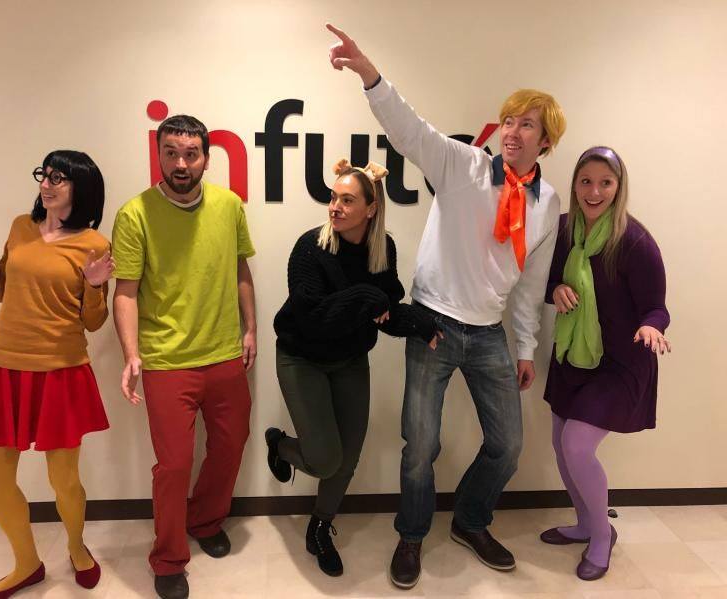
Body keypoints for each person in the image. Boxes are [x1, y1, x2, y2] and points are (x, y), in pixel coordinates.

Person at [326, 24, 567, 588]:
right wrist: (369, 74)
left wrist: (525, 347)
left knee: (507, 445)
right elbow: (410, 130)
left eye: (526, 124)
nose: (512, 131)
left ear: (546, 141)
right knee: (421, 446)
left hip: (488, 333)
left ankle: (469, 520)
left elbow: (530, 284)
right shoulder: (464, 166)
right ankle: (411, 535)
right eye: (509, 120)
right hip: (432, 322)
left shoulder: (548, 203)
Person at [265, 159, 442, 577]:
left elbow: (383, 313)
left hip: (349, 359)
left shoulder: (383, 250)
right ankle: (280, 446)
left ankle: (320, 526)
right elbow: (314, 317)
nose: (335, 207)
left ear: (370, 209)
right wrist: (367, 297)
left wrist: (420, 324)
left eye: (347, 200)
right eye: (333, 198)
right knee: (325, 459)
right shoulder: (311, 247)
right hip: (301, 356)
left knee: (347, 457)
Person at [0, 150, 112, 598]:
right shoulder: (22, 227)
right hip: (5, 366)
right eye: (45, 174)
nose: (47, 183)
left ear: (82, 188)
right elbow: (1, 289)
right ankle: (27, 564)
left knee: (64, 480)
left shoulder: (94, 244)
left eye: (59, 177)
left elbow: (94, 321)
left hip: (61, 370)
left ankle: (76, 547)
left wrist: (95, 286)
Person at [112, 114, 257, 599]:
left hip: (224, 353)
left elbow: (240, 270)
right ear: (158, 155)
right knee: (174, 466)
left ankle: (206, 519)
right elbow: (125, 291)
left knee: (231, 445)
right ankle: (169, 559)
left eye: (190, 154)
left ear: (206, 159)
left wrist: (251, 328)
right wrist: (132, 354)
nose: (181, 163)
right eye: (171, 153)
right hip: (166, 360)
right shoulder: (134, 214)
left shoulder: (229, 206)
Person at [540, 146, 670, 580]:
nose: (594, 192)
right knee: (561, 443)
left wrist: (652, 327)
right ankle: (584, 523)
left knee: (577, 444)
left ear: (619, 187)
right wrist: (555, 288)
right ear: (575, 185)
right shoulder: (563, 230)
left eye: (605, 183)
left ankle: (601, 536)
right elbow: (544, 279)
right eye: (586, 181)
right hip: (573, 355)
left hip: (621, 362)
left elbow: (656, 308)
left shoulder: (634, 241)